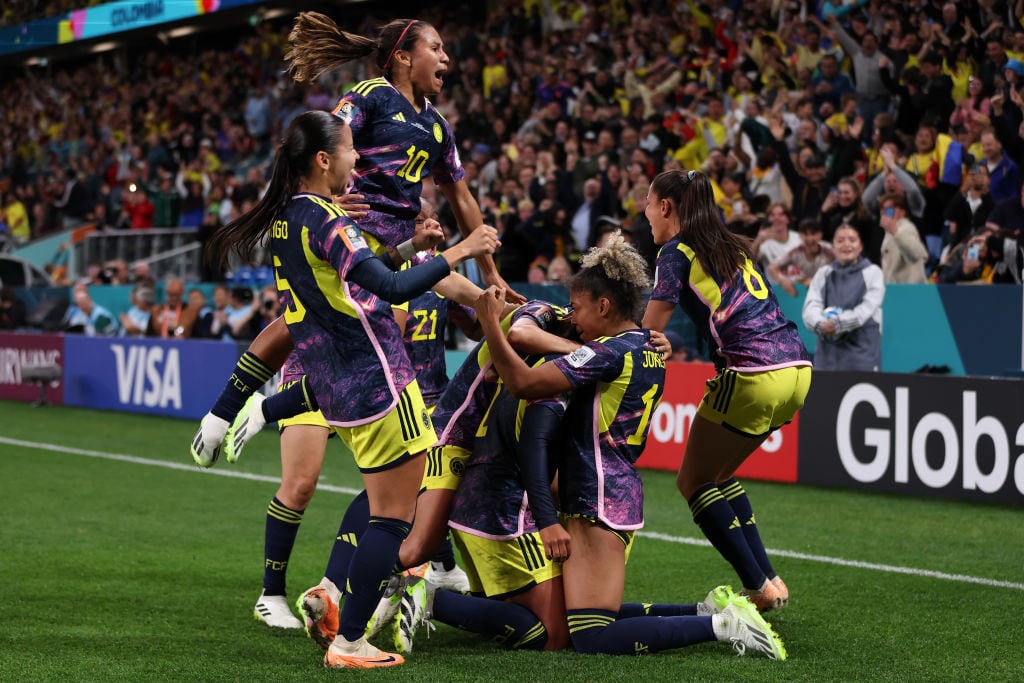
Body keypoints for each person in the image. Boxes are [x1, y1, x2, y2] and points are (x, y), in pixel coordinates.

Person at [204, 110, 497, 669]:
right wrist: (457, 252)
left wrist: (408, 247)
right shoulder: (331, 221)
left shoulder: (288, 219)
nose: (356, 159)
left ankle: (345, 614)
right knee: (393, 518)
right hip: (379, 382)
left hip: (336, 386)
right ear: (323, 159)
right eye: (348, 151)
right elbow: (388, 287)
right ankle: (350, 639)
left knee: (386, 509)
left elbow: (354, 282)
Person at [190, 11, 523, 469]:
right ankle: (224, 410)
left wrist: (491, 273)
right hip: (357, 233)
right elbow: (320, 145)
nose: (447, 57)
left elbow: (461, 197)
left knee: (467, 311)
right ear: (404, 58)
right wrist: (325, 198)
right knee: (305, 320)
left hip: (406, 243)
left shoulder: (438, 127)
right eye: (436, 48)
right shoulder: (370, 96)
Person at [433, 235, 786, 660]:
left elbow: (524, 384)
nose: (573, 318)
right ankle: (706, 610)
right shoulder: (647, 347)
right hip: (614, 491)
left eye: (578, 308)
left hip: (594, 494)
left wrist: (491, 325)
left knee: (590, 636)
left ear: (604, 306)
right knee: (588, 615)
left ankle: (721, 625)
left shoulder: (610, 354)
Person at [641, 170, 812, 612]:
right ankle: (771, 580)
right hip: (797, 369)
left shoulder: (675, 251)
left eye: (647, 201)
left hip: (752, 373)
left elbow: (647, 329)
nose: (644, 210)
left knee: (692, 480)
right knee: (718, 474)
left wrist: (654, 339)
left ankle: (757, 586)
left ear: (666, 207)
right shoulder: (733, 245)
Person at [802, 224, 885, 371]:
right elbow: (811, 307)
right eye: (840, 240)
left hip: (862, 359)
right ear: (833, 246)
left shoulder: (873, 273)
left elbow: (866, 310)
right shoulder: (824, 273)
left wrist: (837, 324)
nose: (846, 244)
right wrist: (820, 324)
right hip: (826, 360)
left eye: (852, 240)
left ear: (860, 246)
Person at [766, 218, 836, 297]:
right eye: (805, 234)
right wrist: (782, 282)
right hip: (804, 292)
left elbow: (840, 270)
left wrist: (816, 281)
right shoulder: (795, 252)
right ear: (800, 235)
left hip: (828, 290)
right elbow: (771, 267)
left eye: (813, 234)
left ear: (820, 235)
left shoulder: (830, 251)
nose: (809, 238)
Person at [878, 193, 929, 284]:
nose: (884, 212)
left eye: (889, 209)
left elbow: (916, 254)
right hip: (896, 290)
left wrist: (896, 233)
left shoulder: (906, 228)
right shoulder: (889, 232)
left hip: (910, 292)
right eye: (882, 209)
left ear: (902, 212)